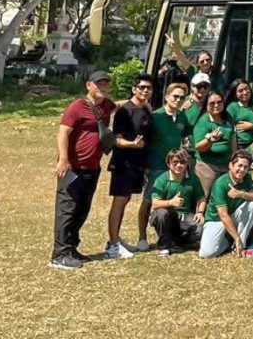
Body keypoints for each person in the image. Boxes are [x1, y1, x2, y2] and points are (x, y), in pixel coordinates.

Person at [50, 71, 116, 270]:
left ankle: (71, 248)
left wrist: (142, 101)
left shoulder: (106, 106)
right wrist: (63, 159)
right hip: (73, 167)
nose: (102, 87)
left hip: (92, 167)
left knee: (81, 209)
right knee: (67, 209)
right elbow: (63, 132)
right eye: (98, 84)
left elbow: (120, 105)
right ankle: (59, 255)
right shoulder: (76, 107)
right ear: (89, 85)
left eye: (105, 84)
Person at [105, 75, 154, 259]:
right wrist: (132, 144)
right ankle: (112, 246)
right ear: (134, 89)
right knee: (119, 201)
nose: (145, 90)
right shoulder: (124, 112)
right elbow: (116, 139)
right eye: (141, 87)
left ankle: (116, 239)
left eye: (148, 88)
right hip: (123, 163)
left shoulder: (147, 108)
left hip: (139, 164)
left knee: (125, 201)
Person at [146, 82, 192, 233]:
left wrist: (186, 145)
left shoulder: (182, 117)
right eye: (175, 96)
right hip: (156, 165)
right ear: (166, 96)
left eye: (181, 97)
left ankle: (169, 233)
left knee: (171, 199)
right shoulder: (155, 116)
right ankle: (141, 237)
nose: (178, 100)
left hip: (174, 166)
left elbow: (186, 136)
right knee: (149, 202)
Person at [199, 150, 253, 258]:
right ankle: (230, 240)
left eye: (245, 167)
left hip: (233, 216)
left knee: (252, 205)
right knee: (206, 254)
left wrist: (241, 194)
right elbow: (223, 215)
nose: (242, 170)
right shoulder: (220, 183)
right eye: (239, 165)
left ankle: (240, 245)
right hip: (216, 219)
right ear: (231, 165)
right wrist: (236, 237)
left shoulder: (247, 179)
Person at [149, 148, 205, 256]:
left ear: (187, 163)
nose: (179, 165)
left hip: (184, 215)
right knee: (161, 214)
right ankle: (164, 247)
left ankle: (178, 244)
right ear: (168, 163)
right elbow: (155, 204)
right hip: (167, 215)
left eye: (182, 162)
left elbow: (201, 198)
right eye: (175, 162)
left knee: (200, 228)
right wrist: (171, 202)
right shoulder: (161, 179)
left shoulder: (193, 178)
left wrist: (200, 212)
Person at [193, 91, 235, 197]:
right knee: (205, 196)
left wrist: (234, 157)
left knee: (224, 195)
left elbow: (233, 139)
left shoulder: (228, 118)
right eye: (212, 103)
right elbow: (199, 147)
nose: (216, 105)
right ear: (206, 105)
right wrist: (210, 139)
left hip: (226, 165)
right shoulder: (203, 121)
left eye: (219, 102)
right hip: (208, 166)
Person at [226, 81, 253, 150]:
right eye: (240, 91)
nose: (245, 92)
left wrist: (251, 126)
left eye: (246, 89)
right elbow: (229, 129)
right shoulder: (232, 107)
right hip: (239, 147)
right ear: (235, 94)